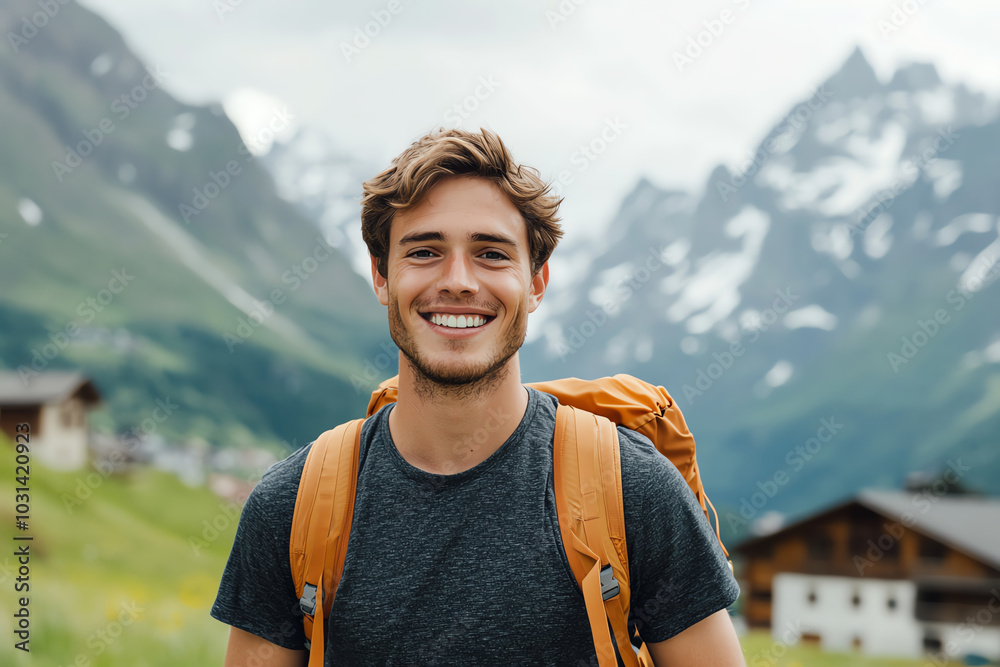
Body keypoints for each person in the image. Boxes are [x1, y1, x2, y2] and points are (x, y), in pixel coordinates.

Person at [211, 128, 744, 665]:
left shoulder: (636, 492)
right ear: (381, 276)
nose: (459, 281)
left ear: (536, 283)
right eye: (425, 251)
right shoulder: (289, 507)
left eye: (491, 253)